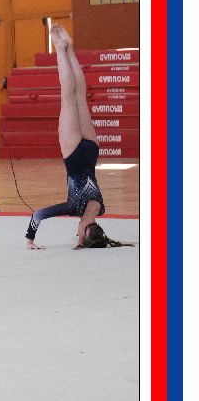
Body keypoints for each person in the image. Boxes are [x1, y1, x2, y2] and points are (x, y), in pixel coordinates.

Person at [25, 24, 129, 250]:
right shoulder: (75, 207)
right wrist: (30, 239)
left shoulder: (100, 207)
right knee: (67, 97)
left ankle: (70, 48)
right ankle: (60, 48)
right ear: (84, 231)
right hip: (73, 154)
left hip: (91, 151)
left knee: (80, 95)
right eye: (79, 235)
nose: (76, 233)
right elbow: (38, 215)